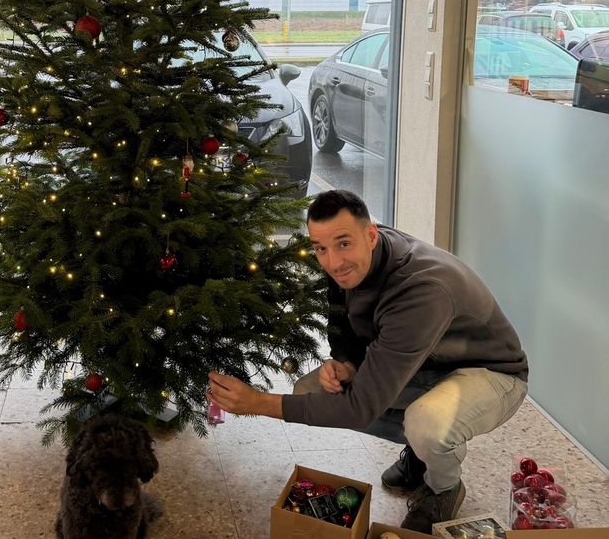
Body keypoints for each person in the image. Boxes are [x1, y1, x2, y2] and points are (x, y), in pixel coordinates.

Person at [207, 189, 528, 534]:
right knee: (309, 390)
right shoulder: (349, 261)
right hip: (423, 363)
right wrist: (346, 362)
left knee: (427, 424)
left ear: (371, 235)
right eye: (321, 249)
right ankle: (419, 452)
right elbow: (341, 324)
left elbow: (361, 408)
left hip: (490, 373)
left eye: (343, 244)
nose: (332, 262)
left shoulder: (423, 289)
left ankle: (443, 488)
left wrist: (259, 403)